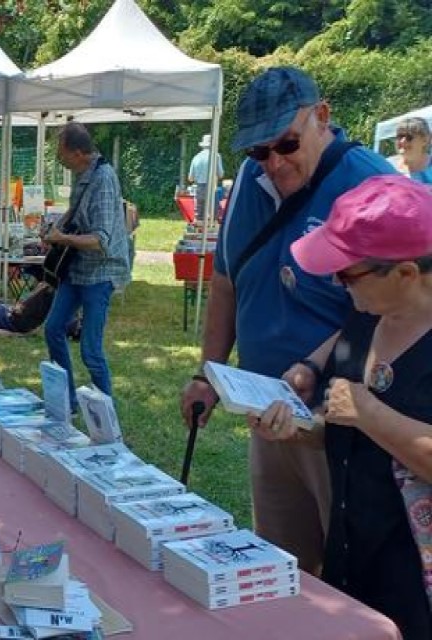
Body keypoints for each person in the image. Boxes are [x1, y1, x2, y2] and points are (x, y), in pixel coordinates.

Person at [179, 66, 396, 574]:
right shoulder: (247, 187)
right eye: (257, 151)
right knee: (281, 564)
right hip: (269, 413)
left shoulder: (370, 184)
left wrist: (312, 374)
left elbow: (398, 311)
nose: (272, 163)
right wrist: (207, 373)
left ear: (322, 117)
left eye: (287, 144)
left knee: (352, 575)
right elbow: (228, 282)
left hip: (348, 424)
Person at [252, 175, 432, 639]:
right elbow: (346, 431)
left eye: (348, 272)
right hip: (353, 566)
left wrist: (369, 411)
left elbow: (364, 417)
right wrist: (298, 428)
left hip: (415, 592)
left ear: (407, 274)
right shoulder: (366, 318)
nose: (335, 281)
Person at [43, 122, 131, 411]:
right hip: (77, 269)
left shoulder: (104, 178)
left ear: (79, 153)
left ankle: (108, 415)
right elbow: (77, 209)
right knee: (53, 328)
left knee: (90, 351)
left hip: (101, 272)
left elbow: (101, 240)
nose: (60, 159)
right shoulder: (83, 174)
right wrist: (58, 225)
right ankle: (67, 400)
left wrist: (62, 237)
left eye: (62, 153)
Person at [0, 282, 80, 339]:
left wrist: (12, 302)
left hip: (12, 310)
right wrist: (23, 336)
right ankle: (76, 327)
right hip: (17, 320)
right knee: (50, 290)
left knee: (46, 286)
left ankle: (77, 324)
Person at [187, 134, 225, 220]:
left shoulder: (196, 157)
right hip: (211, 188)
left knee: (199, 216)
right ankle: (211, 232)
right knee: (213, 216)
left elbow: (190, 178)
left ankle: (199, 232)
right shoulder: (216, 156)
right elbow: (221, 174)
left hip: (199, 188)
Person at [389, 117, 432, 184]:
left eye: (409, 137)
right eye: (400, 136)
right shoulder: (388, 167)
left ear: (425, 140)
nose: (402, 141)